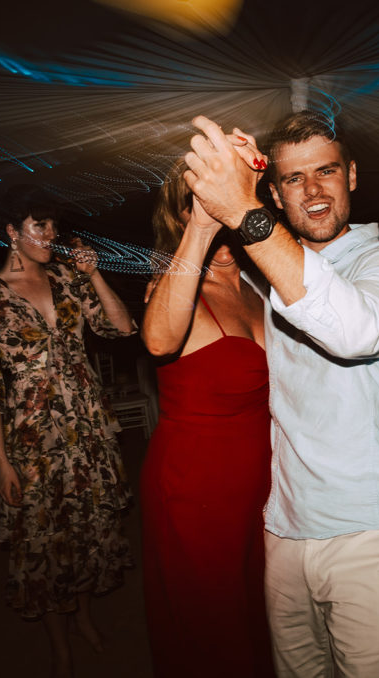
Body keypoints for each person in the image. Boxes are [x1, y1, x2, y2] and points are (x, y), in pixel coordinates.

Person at [183, 111, 379, 677]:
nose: (313, 191)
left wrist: (245, 212)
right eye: (294, 178)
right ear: (276, 189)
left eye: (326, 172)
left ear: (352, 177)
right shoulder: (267, 276)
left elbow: (356, 332)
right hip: (285, 531)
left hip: (370, 534)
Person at [0, 186, 136, 677]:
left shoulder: (66, 278)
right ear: (12, 233)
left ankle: (81, 615)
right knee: (44, 543)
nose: (51, 236)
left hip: (87, 430)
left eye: (54, 227)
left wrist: (93, 274)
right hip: (33, 439)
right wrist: (1, 462)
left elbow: (122, 328)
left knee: (88, 528)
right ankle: (59, 644)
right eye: (40, 226)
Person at [140, 161, 274, 677]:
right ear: (183, 214)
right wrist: (201, 227)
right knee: (212, 629)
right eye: (205, 205)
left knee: (258, 616)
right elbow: (157, 341)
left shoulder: (256, 285)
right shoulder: (172, 287)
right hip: (195, 490)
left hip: (261, 483)